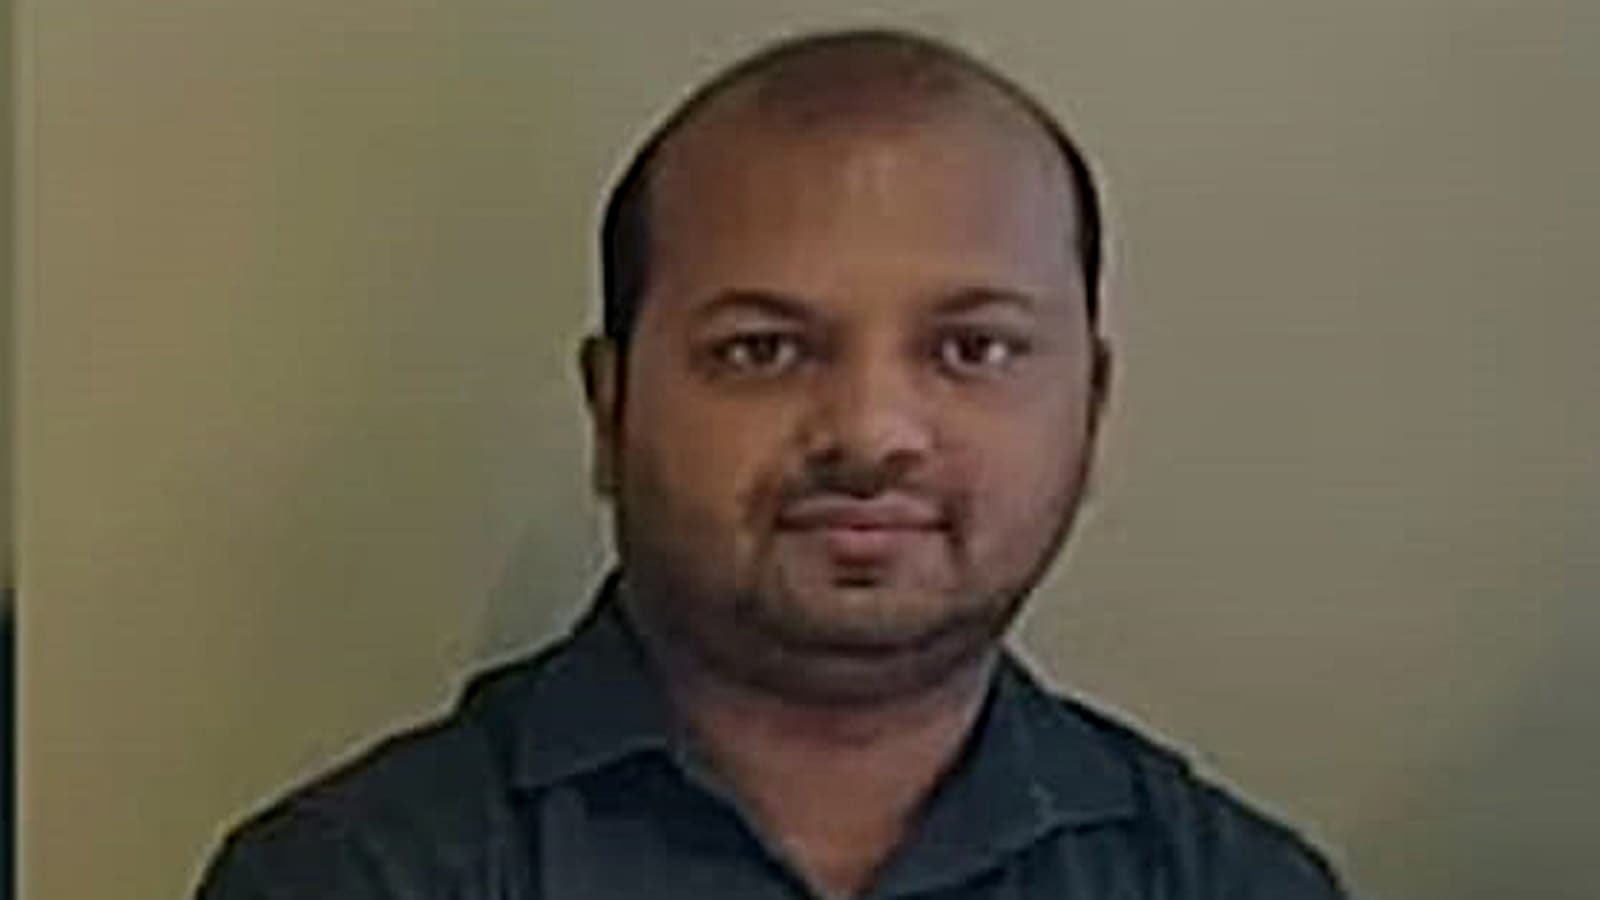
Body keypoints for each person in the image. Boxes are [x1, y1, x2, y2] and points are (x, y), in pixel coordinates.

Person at [198, 28, 1346, 900]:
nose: (872, 432)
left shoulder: (1226, 882)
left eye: (972, 349)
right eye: (762, 350)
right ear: (610, 408)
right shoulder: (363, 875)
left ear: (1089, 408)